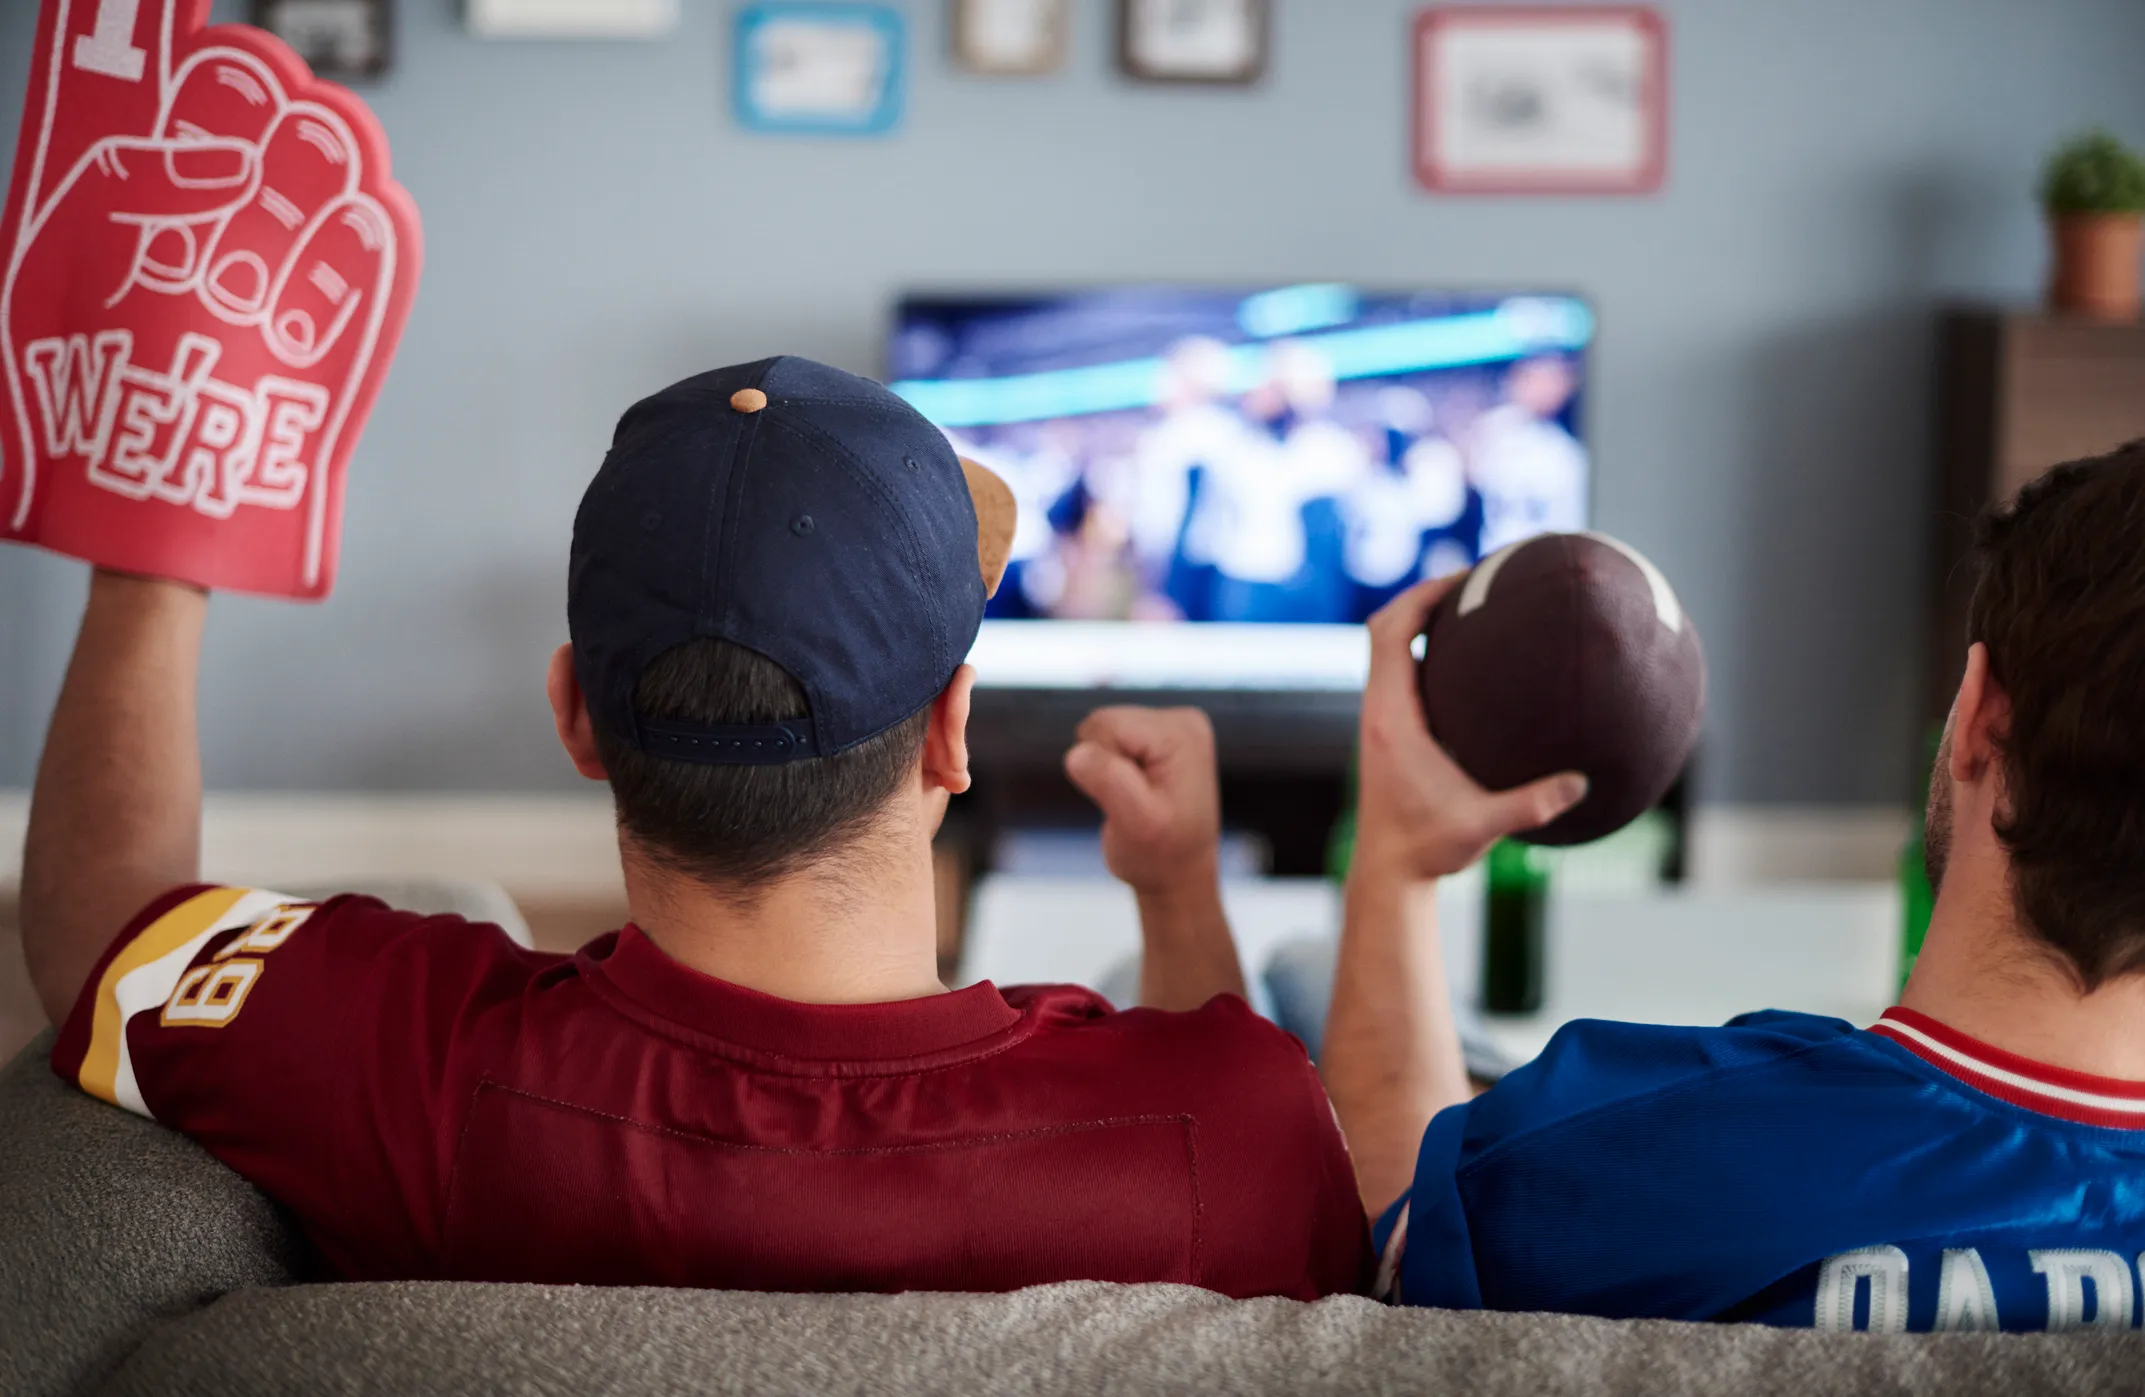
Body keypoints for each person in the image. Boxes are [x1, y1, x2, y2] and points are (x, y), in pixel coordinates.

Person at [23, 356, 1369, 1297]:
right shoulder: (1231, 1121)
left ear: (574, 717)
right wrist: (1179, 891)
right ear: (954, 733)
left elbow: (99, 929)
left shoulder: (386, 1054)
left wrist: (157, 551)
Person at [1313, 440, 2145, 1331]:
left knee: (1300, 971)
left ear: (1981, 718)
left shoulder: (1609, 1156)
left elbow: (1391, 1260)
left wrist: (1394, 860)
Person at [1467, 356, 1587, 556]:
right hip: (1495, 556)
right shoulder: (1496, 431)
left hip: (1547, 561)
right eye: (1529, 379)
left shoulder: (1566, 451)